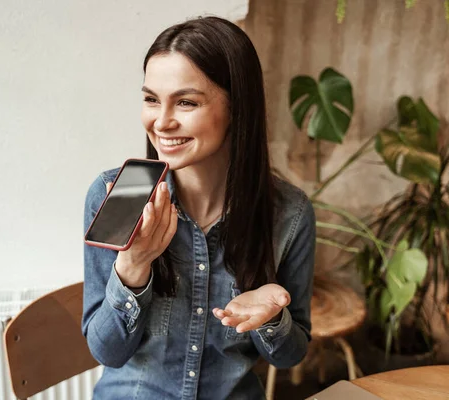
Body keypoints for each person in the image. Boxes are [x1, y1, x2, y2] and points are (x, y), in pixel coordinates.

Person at [82, 16, 315, 400]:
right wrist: (133, 268)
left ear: (238, 107)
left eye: (186, 102)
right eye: (151, 99)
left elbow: (291, 356)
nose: (161, 122)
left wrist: (272, 318)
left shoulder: (288, 214)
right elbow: (106, 350)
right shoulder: (118, 196)